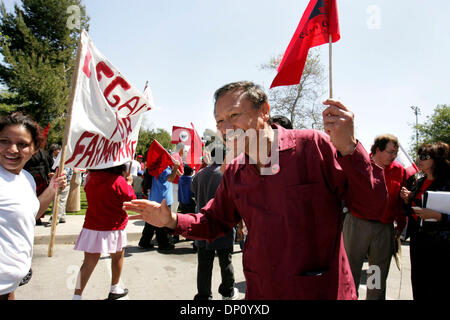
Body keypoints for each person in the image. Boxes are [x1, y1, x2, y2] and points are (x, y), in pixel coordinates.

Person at [124, 81, 388, 300]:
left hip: (320, 291)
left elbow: (372, 206)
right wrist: (170, 220)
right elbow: (214, 220)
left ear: (264, 111)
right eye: (219, 121)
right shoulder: (236, 171)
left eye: (234, 116)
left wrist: (350, 150)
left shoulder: (313, 147)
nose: (225, 128)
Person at [0, 112, 67, 300]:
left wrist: (53, 188)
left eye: (22, 144)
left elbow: (33, 214)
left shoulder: (26, 178)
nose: (12, 149)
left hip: (10, 285)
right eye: (4, 141)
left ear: (34, 149)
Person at [343, 134, 407, 300]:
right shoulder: (362, 165)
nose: (394, 156)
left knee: (376, 272)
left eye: (396, 152)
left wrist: (400, 225)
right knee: (351, 268)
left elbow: (398, 200)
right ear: (378, 149)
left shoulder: (399, 171)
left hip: (384, 227)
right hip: (357, 223)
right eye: (391, 152)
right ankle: (349, 296)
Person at [72, 163, 136, 300]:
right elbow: (131, 200)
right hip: (114, 226)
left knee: (88, 263)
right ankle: (115, 287)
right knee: (117, 257)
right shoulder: (118, 180)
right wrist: (129, 183)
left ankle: (77, 296)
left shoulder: (91, 178)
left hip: (92, 225)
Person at [400, 142, 450, 300]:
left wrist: (439, 216)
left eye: (424, 156)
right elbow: (411, 211)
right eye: (418, 155)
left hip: (441, 245)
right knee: (419, 283)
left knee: (438, 287)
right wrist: (408, 200)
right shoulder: (418, 181)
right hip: (419, 241)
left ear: (436, 160)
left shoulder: (447, 182)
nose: (419, 160)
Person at [192, 146, 239, 300]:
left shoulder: (200, 174)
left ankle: (204, 295)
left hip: (202, 224)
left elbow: (194, 192)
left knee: (204, 264)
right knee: (225, 261)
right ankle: (227, 291)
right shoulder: (227, 174)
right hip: (223, 225)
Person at [138, 162, 181, 251]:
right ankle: (163, 244)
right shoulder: (164, 168)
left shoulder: (155, 167)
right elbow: (170, 179)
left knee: (150, 222)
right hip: (163, 199)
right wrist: (176, 168)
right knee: (163, 222)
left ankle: (144, 242)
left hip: (153, 197)